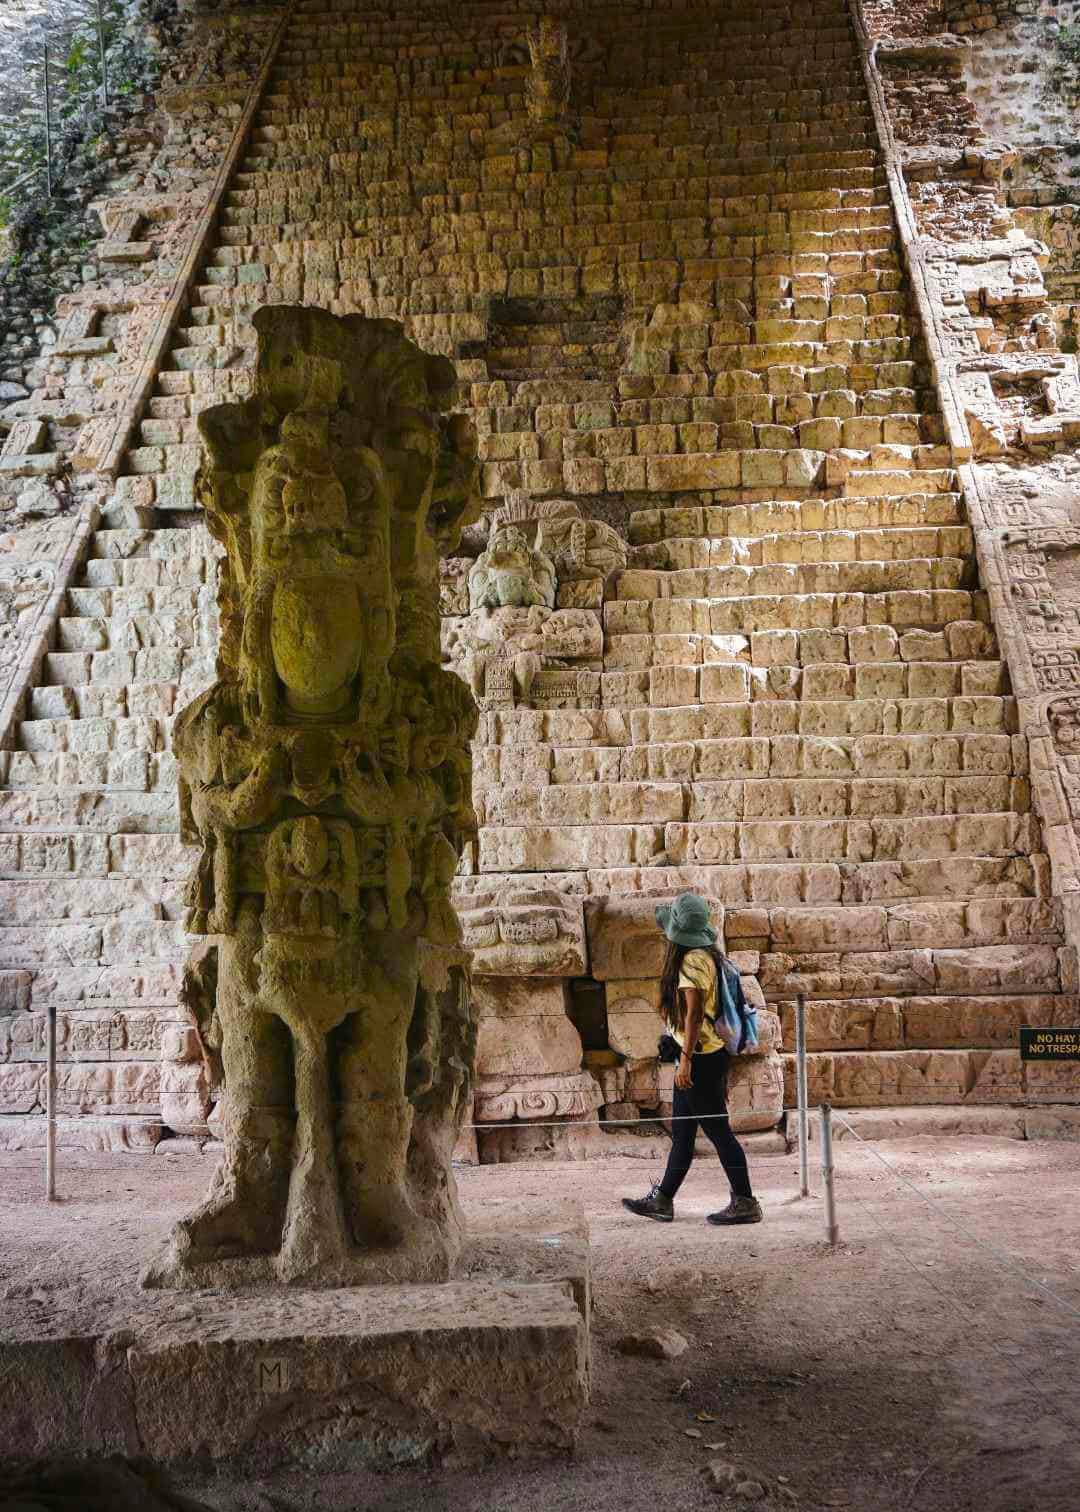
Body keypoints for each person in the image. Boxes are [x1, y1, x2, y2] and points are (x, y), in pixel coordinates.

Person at [622, 892, 762, 1226]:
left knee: (718, 1132)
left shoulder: (692, 961)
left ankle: (746, 1202)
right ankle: (663, 1201)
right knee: (683, 1135)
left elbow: (696, 1012)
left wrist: (685, 1060)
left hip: (700, 1060)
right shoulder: (705, 956)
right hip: (700, 1056)